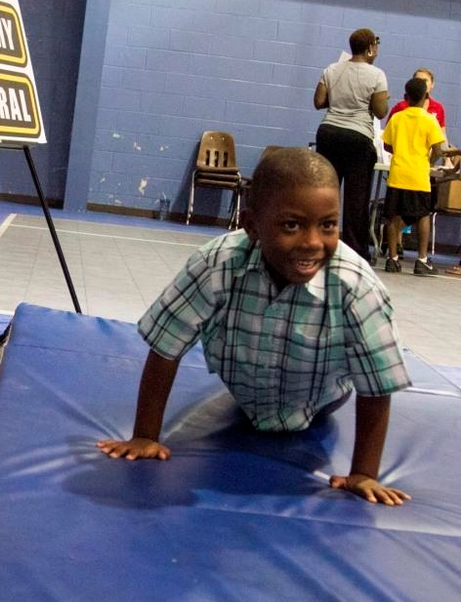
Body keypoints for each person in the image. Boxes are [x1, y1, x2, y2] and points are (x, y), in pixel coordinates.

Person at [97, 147, 412, 506]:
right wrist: (145, 436)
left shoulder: (356, 287)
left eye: (327, 225)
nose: (312, 242)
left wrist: (363, 473)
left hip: (320, 397)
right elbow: (166, 346)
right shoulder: (219, 264)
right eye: (291, 225)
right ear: (252, 225)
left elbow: (376, 385)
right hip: (246, 389)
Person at [313, 28, 389, 261]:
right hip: (358, 138)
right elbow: (380, 111)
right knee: (357, 199)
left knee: (325, 191)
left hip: (329, 133)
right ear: (369, 49)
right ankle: (355, 253)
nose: (376, 51)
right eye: (375, 46)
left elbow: (318, 102)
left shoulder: (331, 69)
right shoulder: (376, 74)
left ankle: (317, 242)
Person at [381, 77, 448, 276]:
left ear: (405, 97)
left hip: (398, 173)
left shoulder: (397, 118)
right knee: (423, 216)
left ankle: (392, 259)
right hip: (418, 175)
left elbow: (386, 144)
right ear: (426, 97)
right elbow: (438, 149)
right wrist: (429, 160)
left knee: (393, 217)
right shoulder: (430, 119)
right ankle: (422, 260)